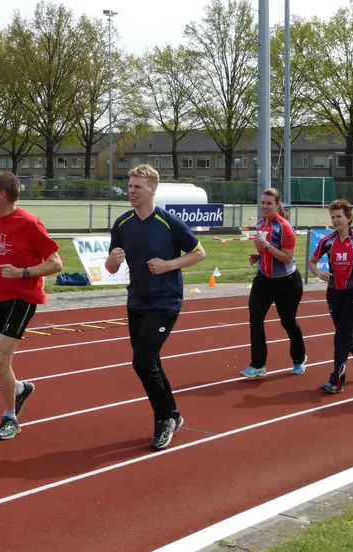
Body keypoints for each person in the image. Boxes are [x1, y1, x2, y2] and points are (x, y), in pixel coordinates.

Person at [105, 164, 206, 451]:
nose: (131, 191)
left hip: (165, 301)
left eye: (137, 186)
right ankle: (173, 413)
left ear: (152, 189)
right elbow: (111, 268)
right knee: (150, 362)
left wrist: (169, 265)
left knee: (143, 361)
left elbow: (199, 252)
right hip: (136, 300)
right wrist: (112, 259)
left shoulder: (168, 222)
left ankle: (164, 420)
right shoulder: (123, 224)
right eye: (130, 186)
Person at [0, 171, 63, 440]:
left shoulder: (29, 223)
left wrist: (23, 272)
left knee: (1, 359)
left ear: (2, 194)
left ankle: (10, 417)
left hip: (24, 297)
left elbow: (56, 263)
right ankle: (20, 387)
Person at [308, 199, 353, 394]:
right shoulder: (327, 241)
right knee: (344, 333)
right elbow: (312, 262)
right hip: (333, 293)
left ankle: (337, 380)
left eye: (339, 216)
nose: (335, 220)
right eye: (332, 217)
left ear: (349, 218)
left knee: (341, 337)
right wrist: (318, 273)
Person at [240, 188, 307, 378]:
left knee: (288, 322)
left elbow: (287, 258)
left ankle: (299, 358)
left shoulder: (284, 227)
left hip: (286, 282)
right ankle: (258, 364)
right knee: (255, 318)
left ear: (278, 205)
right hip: (263, 279)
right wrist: (258, 257)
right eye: (262, 203)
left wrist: (267, 246)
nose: (264, 207)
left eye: (269, 203)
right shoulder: (261, 224)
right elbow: (266, 252)